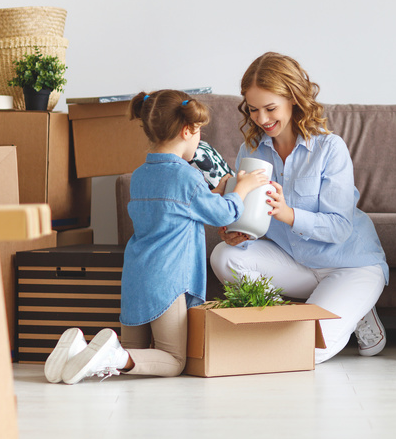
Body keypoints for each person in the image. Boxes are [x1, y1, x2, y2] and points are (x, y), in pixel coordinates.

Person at [45, 90, 269, 384]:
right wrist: (244, 187)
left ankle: (77, 353)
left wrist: (211, 194)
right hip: (168, 279)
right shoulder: (187, 177)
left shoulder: (140, 176)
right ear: (186, 130)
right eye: (198, 132)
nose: (199, 139)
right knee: (174, 359)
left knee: (135, 353)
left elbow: (176, 209)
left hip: (137, 275)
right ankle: (111, 355)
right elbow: (222, 214)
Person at [210, 52, 389, 364]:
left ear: (293, 99)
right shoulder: (250, 151)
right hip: (296, 264)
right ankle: (295, 317)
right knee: (224, 256)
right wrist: (237, 230)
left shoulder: (329, 148)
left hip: (349, 263)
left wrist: (286, 213)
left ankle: (357, 307)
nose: (261, 119)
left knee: (309, 349)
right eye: (253, 110)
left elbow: (339, 227)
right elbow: (253, 219)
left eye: (270, 108)